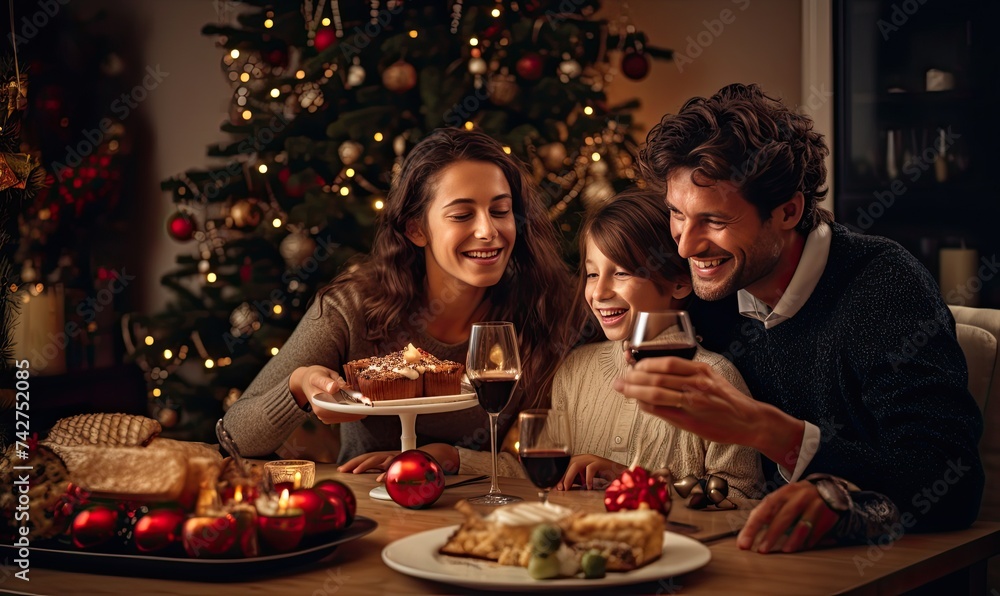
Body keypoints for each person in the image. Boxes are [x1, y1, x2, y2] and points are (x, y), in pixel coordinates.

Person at [617, 82, 984, 553]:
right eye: (676, 214)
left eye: (715, 220)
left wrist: (772, 433)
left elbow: (951, 483)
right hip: (746, 559)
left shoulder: (884, 286)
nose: (686, 245)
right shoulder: (710, 294)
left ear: (788, 210)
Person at [342, 189, 763, 502]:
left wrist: (633, 482)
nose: (598, 293)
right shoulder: (576, 370)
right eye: (593, 274)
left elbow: (744, 501)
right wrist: (451, 457)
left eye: (621, 274)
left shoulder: (716, 379)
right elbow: (539, 470)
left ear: (680, 281)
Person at [223, 128, 580, 464]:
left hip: (479, 516)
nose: (489, 231)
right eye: (461, 215)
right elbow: (235, 437)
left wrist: (453, 459)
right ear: (416, 229)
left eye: (500, 211)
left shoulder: (541, 306)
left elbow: (553, 450)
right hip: (367, 512)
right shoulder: (352, 306)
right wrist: (298, 386)